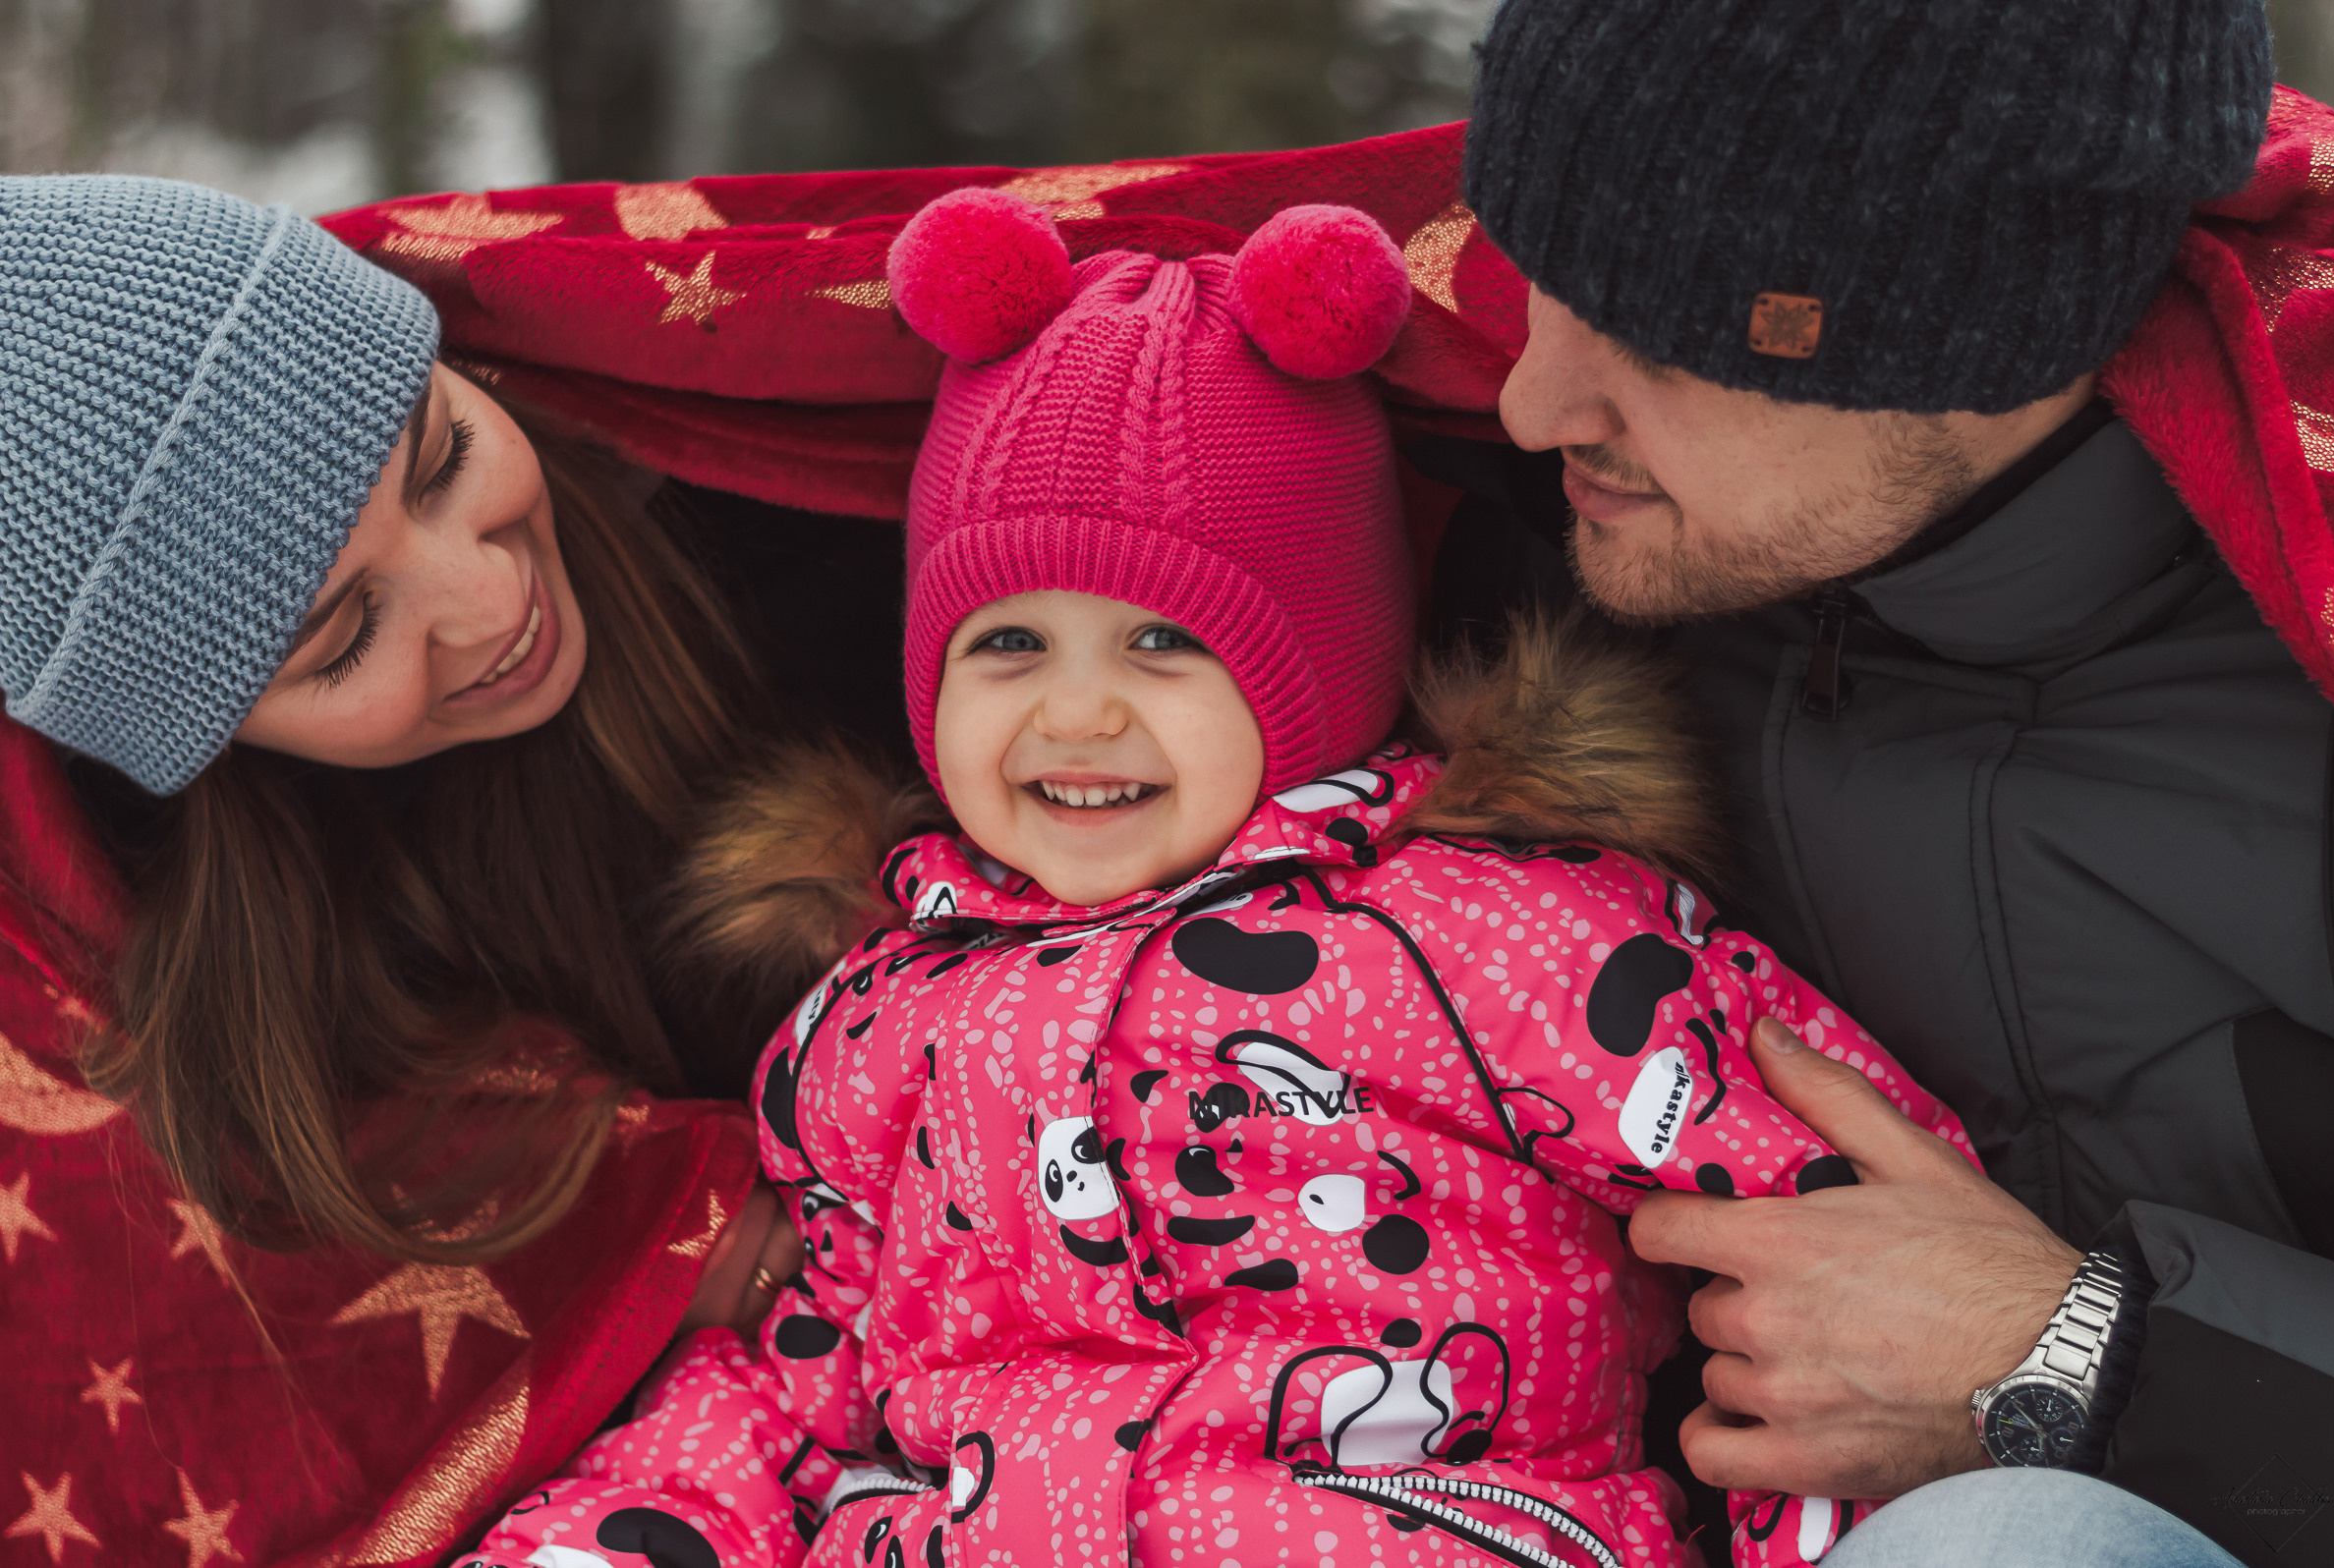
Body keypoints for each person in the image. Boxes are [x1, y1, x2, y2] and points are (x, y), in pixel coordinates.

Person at [463, 189, 1974, 1568]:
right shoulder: (868, 1014)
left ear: (1317, 665)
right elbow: (810, 1372)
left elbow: (1824, 1249)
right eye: (1008, 646)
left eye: (1164, 644)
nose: (1073, 714)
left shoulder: (1509, 940)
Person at [1452, 1, 2334, 1565]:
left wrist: (2074, 1360)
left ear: (1984, 348)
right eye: (1537, 270)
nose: (1532, 404)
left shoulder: (2313, 664)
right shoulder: (1531, 541)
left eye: (1662, 339)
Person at [0, 174, 815, 1552]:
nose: (488, 599)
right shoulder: (241, 1025)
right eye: (341, 640)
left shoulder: (802, 520)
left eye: (440, 458)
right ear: (208, 744)